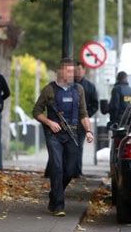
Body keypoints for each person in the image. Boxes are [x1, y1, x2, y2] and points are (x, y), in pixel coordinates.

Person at [33, 59, 94, 216]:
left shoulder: (79, 89)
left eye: (73, 71)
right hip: (54, 135)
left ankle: (55, 194)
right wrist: (48, 122)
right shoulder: (49, 90)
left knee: (70, 170)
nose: (71, 74)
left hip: (73, 133)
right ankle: (59, 206)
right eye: (68, 71)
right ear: (60, 72)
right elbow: (36, 111)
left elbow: (83, 113)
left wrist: (88, 131)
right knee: (58, 167)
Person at [74, 61, 99, 177]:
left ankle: (77, 171)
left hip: (82, 122)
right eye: (75, 70)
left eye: (79, 70)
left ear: (84, 70)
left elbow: (95, 105)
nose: (77, 72)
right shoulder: (68, 84)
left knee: (79, 146)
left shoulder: (89, 86)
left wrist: (86, 116)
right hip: (68, 121)